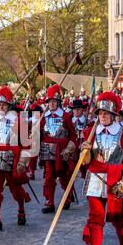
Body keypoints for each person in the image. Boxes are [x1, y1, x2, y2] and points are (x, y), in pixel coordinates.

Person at [80, 91, 123, 245]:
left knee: (119, 220)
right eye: (99, 113)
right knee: (95, 220)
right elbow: (85, 163)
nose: (102, 116)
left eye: (105, 113)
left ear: (114, 115)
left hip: (117, 181)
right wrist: (85, 151)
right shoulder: (89, 132)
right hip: (95, 180)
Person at [0, 86, 32, 231]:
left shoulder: (19, 120)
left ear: (9, 106)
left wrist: (23, 162)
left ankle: (21, 209)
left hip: (13, 157)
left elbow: (26, 144)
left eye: (3, 104)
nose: (1, 107)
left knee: (15, 189)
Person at [39, 84, 78, 213]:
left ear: (58, 102)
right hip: (48, 150)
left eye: (54, 101)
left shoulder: (66, 116)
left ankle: (67, 197)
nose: (52, 104)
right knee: (49, 177)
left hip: (62, 150)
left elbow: (73, 134)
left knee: (64, 176)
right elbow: (39, 133)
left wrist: (70, 148)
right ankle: (49, 201)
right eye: (50, 102)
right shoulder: (43, 117)